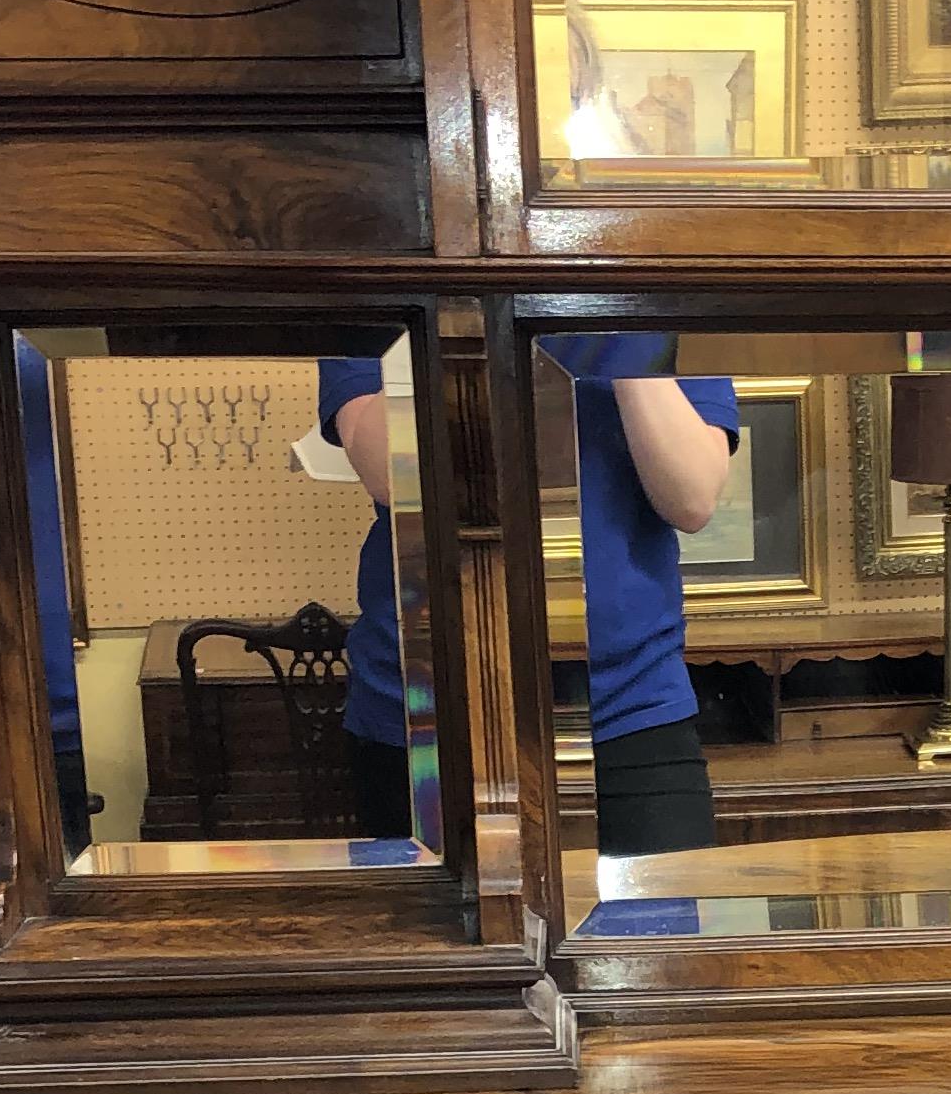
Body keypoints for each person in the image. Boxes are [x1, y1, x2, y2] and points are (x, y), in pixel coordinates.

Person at [316, 333, 738, 855]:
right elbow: (389, 474)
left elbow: (692, 497)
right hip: (425, 709)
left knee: (653, 932)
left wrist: (608, 318)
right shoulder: (377, 291)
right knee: (438, 931)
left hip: (628, 702)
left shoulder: (656, 299)